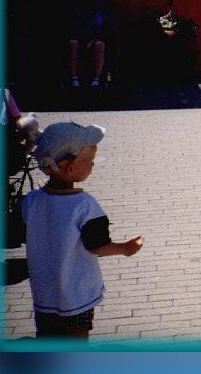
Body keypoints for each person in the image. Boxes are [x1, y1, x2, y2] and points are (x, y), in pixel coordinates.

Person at [22, 121, 143, 339]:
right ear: (70, 166)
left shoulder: (31, 201)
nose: (93, 165)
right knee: (76, 339)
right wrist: (126, 248)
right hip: (76, 294)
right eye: (90, 161)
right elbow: (98, 246)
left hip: (44, 293)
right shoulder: (85, 206)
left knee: (47, 337)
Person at [60, 0, 113, 89]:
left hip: (94, 38)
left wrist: (93, 38)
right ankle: (74, 79)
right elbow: (66, 27)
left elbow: (103, 25)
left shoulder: (98, 5)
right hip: (75, 38)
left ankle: (96, 79)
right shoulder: (68, 6)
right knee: (73, 44)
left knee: (99, 45)